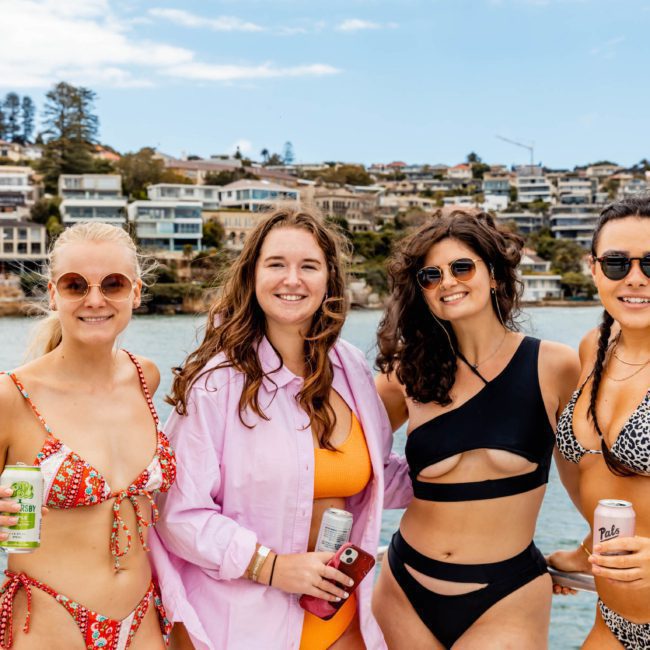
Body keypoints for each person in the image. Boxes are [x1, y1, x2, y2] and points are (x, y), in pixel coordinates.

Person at [149, 205, 411, 650]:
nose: (292, 279)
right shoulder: (216, 385)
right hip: (246, 627)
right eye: (276, 265)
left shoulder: (350, 366)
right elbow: (177, 512)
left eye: (308, 266)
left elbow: (377, 475)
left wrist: (467, 461)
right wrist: (270, 566)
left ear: (329, 279)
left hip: (341, 620)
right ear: (252, 276)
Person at [371, 209, 580, 649]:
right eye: (431, 275)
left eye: (461, 267)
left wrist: (590, 551)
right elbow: (340, 456)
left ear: (495, 276)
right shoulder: (403, 376)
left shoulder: (555, 366)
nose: (447, 281)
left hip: (507, 594)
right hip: (404, 587)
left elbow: (595, 474)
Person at [0, 222, 175, 649]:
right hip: (48, 625)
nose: (95, 300)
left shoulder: (145, 377)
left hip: (144, 622)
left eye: (112, 284)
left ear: (135, 292)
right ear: (53, 292)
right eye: (75, 285)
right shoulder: (11, 396)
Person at [549, 197, 650, 649]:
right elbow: (606, 478)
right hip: (614, 620)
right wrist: (583, 553)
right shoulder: (594, 347)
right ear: (593, 269)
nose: (635, 278)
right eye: (616, 263)